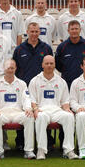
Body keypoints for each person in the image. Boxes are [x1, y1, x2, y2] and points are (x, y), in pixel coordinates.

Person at [55, 19, 85, 150]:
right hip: (67, 84)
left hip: (83, 84)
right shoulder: (62, 47)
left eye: (76, 29)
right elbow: (58, 65)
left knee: (84, 110)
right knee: (66, 112)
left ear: (80, 30)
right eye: (72, 29)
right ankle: (64, 142)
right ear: (68, 31)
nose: (74, 31)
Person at [12, 22, 53, 150]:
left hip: (42, 87)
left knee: (43, 112)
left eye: (36, 31)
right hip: (24, 87)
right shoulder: (19, 49)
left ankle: (48, 141)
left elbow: (50, 66)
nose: (34, 34)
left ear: (39, 32)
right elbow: (15, 69)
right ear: (27, 32)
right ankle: (21, 142)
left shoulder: (46, 48)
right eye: (32, 31)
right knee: (25, 113)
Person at [29, 55, 78, 160]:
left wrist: (67, 109)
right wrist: (35, 110)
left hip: (56, 110)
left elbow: (65, 101)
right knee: (41, 117)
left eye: (51, 63)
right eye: (47, 63)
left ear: (55, 65)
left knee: (69, 116)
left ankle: (68, 150)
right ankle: (41, 151)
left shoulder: (61, 81)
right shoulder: (35, 81)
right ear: (42, 65)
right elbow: (32, 101)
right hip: (42, 110)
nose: (49, 66)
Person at [0, 59, 35, 160]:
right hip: (2, 113)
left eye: (12, 68)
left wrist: (27, 108)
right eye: (8, 68)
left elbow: (26, 98)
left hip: (17, 113)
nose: (10, 70)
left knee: (29, 117)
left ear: (15, 69)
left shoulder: (21, 83)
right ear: (4, 69)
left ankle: (28, 150)